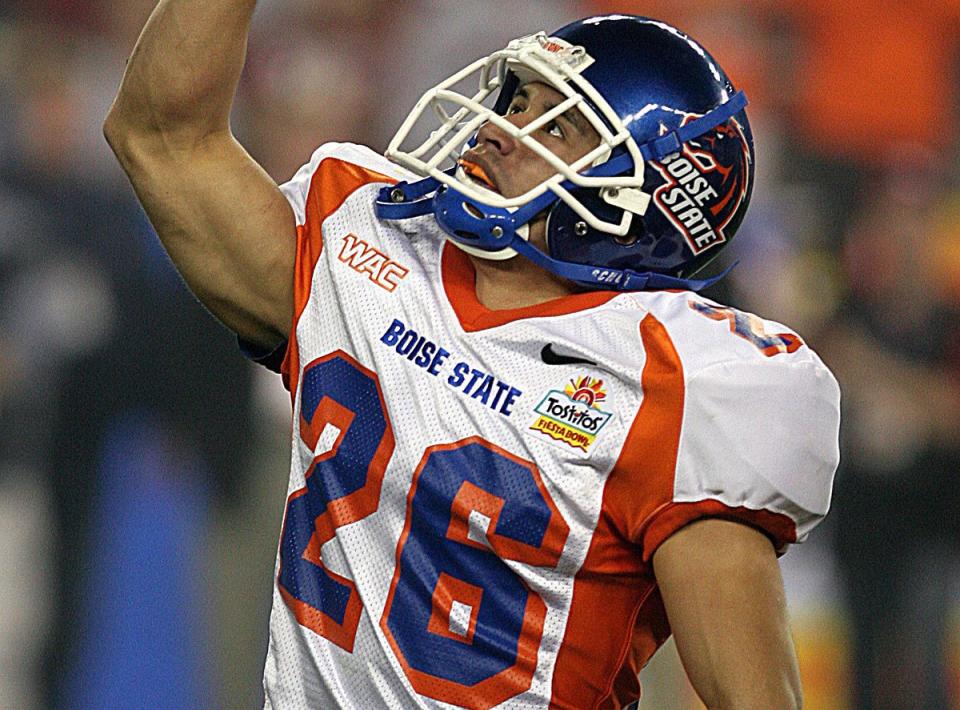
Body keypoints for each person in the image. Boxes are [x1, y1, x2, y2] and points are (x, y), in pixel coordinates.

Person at [104, 3, 840, 708]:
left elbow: (749, 697)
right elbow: (163, 135)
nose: (502, 127)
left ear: (644, 193)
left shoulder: (684, 380)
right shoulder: (370, 243)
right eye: (519, 101)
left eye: (558, 122)